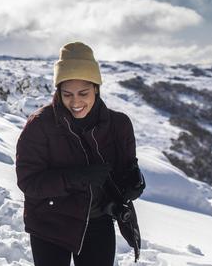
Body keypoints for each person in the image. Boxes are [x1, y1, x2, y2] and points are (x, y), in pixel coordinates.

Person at [15, 42, 145, 266]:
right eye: (67, 94)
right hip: (49, 223)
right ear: (58, 92)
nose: (75, 102)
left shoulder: (119, 124)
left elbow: (126, 168)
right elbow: (29, 182)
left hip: (98, 223)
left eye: (83, 93)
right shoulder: (40, 125)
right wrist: (76, 178)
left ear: (96, 87)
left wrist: (133, 183)